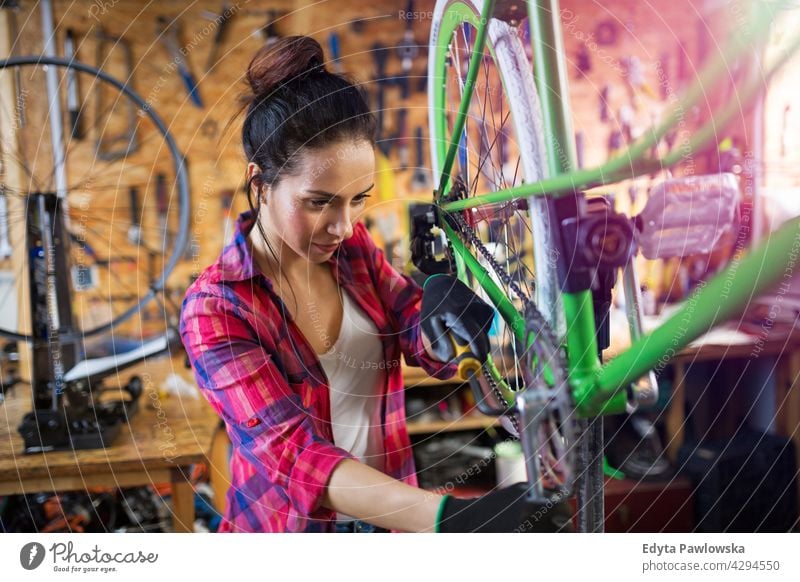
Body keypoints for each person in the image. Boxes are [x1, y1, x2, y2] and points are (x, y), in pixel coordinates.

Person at [180, 36, 571, 533]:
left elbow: (414, 326)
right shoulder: (215, 310)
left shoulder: (350, 249)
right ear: (260, 184)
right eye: (319, 202)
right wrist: (448, 519)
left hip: (390, 524)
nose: (343, 225)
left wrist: (439, 320)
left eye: (358, 199)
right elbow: (292, 454)